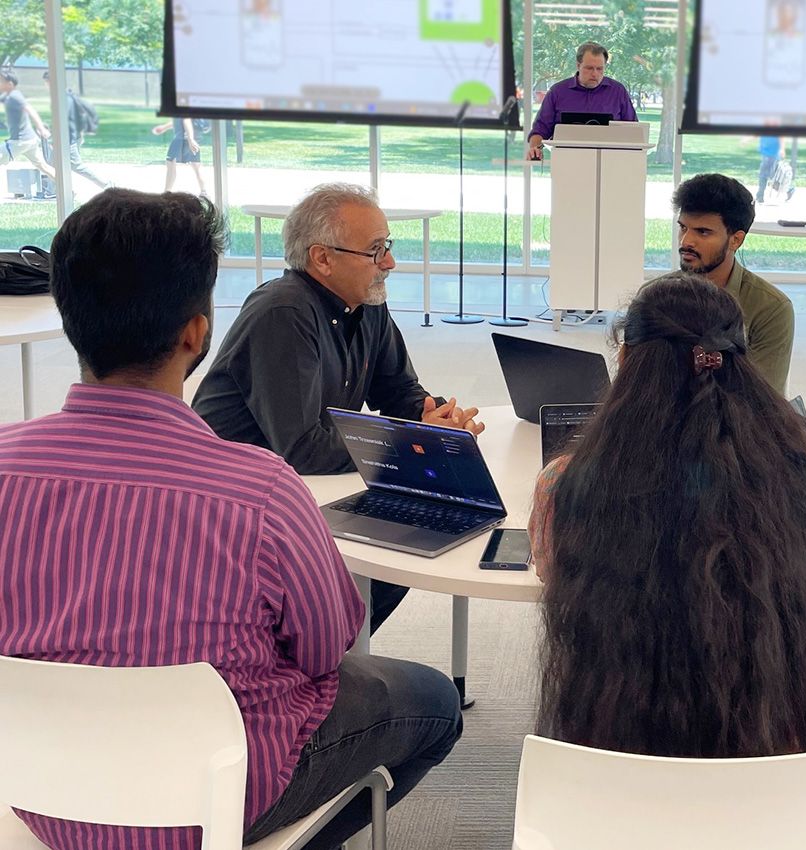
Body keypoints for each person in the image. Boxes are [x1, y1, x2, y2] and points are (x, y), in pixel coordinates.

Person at [0, 189, 463, 850]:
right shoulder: (260, 490)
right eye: (377, 250)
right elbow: (326, 646)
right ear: (197, 333)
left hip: (38, 794)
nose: (387, 262)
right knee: (435, 703)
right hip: (211, 800)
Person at [530, 272, 806, 756]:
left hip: (623, 754)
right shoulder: (799, 473)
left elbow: (555, 578)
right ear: (742, 362)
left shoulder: (566, 483)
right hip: (780, 764)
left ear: (627, 359)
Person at [193, 182, 484, 633]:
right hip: (240, 508)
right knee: (406, 532)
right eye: (374, 251)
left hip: (302, 488)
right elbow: (303, 448)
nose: (389, 262)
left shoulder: (366, 305)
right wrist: (412, 440)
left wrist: (438, 419)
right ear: (322, 259)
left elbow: (400, 393)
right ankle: (317, 651)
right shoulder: (282, 313)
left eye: (387, 246)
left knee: (427, 522)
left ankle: (330, 648)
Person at [672, 173, 794, 395]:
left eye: (703, 232)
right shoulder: (653, 297)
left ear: (736, 240)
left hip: (738, 425)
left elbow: (762, 399)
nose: (685, 241)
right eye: (683, 228)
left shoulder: (770, 308)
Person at [526, 41, 637, 161]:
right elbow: (540, 129)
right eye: (589, 68)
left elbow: (633, 130)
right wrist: (535, 149)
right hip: (567, 162)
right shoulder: (557, 92)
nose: (595, 73)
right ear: (578, 65)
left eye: (600, 69)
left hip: (611, 162)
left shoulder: (618, 91)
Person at [41, 70, 109, 191]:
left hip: (67, 139)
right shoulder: (67, 95)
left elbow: (64, 121)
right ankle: (54, 190)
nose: (45, 85)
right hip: (73, 136)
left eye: (46, 82)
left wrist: (53, 139)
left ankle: (106, 185)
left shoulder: (62, 98)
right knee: (52, 163)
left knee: (77, 166)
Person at [0, 70, 58, 186]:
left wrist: (41, 128)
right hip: (30, 140)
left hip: (20, 141)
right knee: (43, 166)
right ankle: (69, 188)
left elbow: (30, 110)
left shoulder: (14, 96)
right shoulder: (8, 96)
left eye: (1, 81)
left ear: (10, 84)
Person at [151, 116, 207, 194]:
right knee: (196, 165)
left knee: (170, 163)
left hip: (181, 139)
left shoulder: (181, 106)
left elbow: (186, 120)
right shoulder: (183, 108)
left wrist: (190, 139)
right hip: (191, 138)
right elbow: (180, 120)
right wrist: (164, 127)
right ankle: (204, 191)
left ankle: (167, 192)